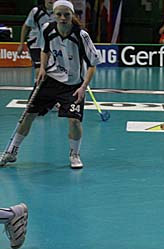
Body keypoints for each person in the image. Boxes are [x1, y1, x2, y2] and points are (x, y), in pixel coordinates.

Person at [0, 0, 101, 169]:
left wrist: (83, 87)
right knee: (28, 115)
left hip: (73, 85)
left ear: (72, 15)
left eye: (66, 15)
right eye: (58, 14)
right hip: (50, 80)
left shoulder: (81, 35)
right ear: (54, 15)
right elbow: (45, 50)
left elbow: (93, 64)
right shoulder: (47, 28)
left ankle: (74, 154)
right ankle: (11, 151)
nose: (62, 18)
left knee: (74, 121)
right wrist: (42, 68)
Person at [17, 0, 55, 79]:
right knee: (39, 69)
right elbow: (26, 26)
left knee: (49, 70)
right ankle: (37, 85)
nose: (51, 0)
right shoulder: (36, 11)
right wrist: (21, 44)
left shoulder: (59, 12)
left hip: (52, 45)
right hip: (36, 44)